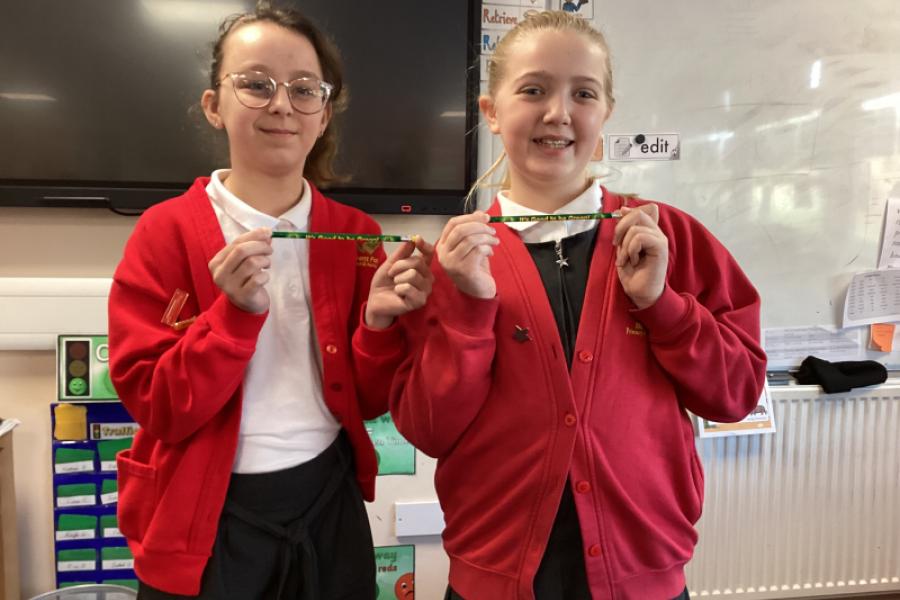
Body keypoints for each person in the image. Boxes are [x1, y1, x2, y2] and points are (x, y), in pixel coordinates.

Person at [390, 10, 766, 600]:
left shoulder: (670, 239)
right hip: (493, 574)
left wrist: (662, 306)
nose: (558, 113)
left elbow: (736, 394)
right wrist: (469, 310)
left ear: (607, 111)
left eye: (583, 94)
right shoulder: (455, 259)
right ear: (491, 111)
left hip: (642, 573)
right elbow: (429, 430)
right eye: (533, 90)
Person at [107, 3, 433, 598]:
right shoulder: (164, 232)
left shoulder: (356, 234)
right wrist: (231, 319)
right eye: (256, 84)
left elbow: (368, 399)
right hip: (205, 515)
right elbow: (160, 407)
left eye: (304, 89)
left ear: (322, 115)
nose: (282, 104)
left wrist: (378, 326)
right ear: (215, 105)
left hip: (327, 503)